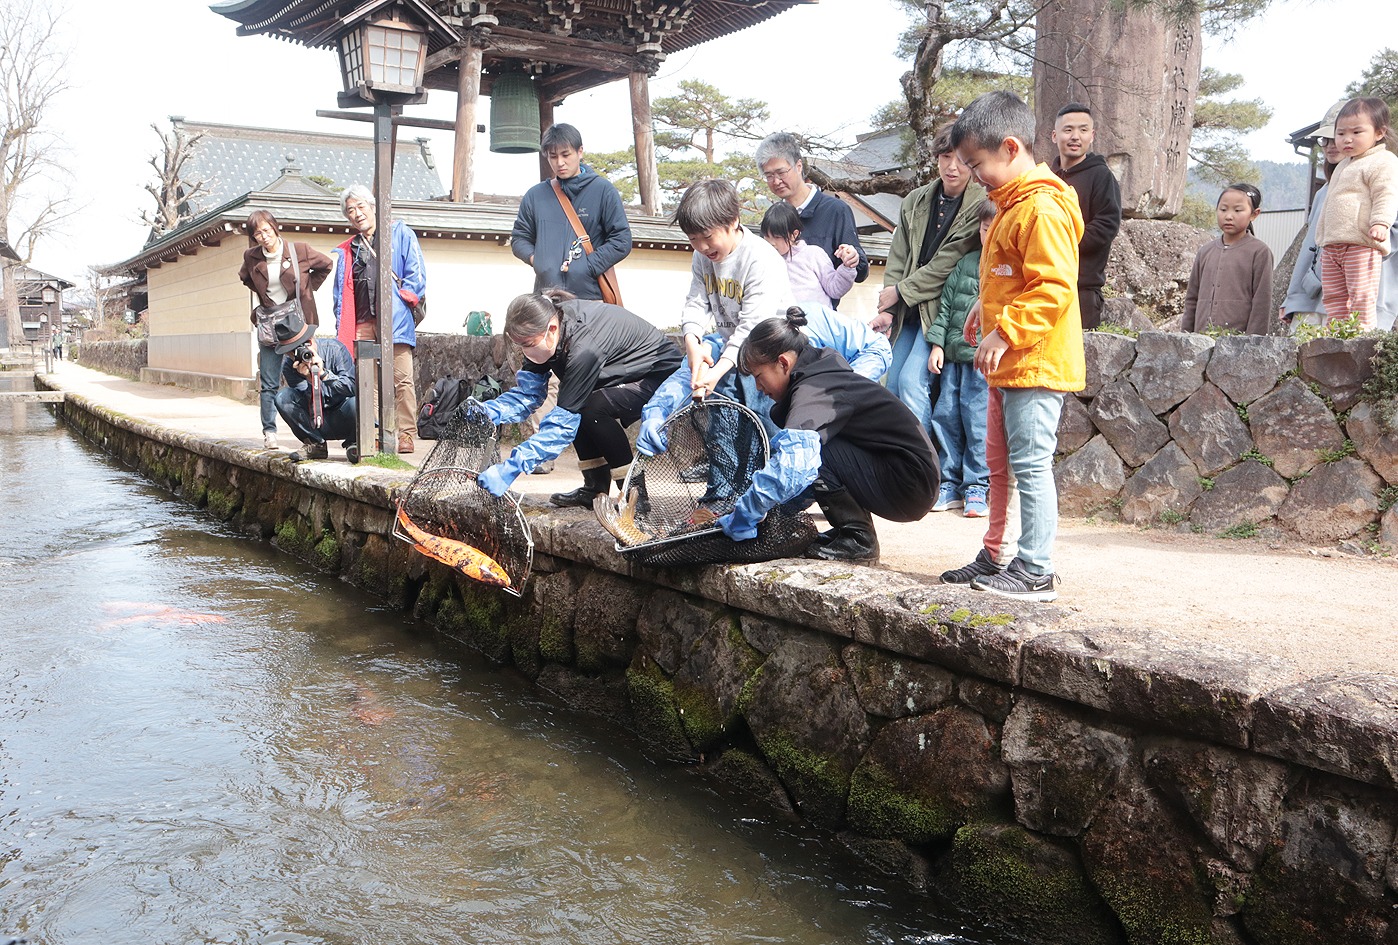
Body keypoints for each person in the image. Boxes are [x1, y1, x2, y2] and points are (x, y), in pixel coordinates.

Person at [938, 90, 1084, 603]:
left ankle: (1037, 568)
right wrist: (985, 306)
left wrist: (1006, 330)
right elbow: (1011, 276)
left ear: (1011, 147)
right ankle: (997, 554)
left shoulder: (1041, 208)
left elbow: (1054, 287)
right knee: (999, 464)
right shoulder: (1009, 205)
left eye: (978, 164)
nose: (975, 175)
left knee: (1030, 464)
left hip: (1036, 361)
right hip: (1011, 362)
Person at [713, 311, 937, 563]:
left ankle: (859, 540)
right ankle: (848, 529)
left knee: (813, 452)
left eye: (758, 376)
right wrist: (774, 512)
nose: (758, 388)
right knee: (815, 449)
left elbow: (794, 467)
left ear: (783, 363)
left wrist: (747, 513)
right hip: (907, 476)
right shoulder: (820, 368)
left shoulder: (815, 389)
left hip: (910, 483)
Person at [473, 288, 683, 508]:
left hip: (658, 375)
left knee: (590, 408)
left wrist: (513, 467)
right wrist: (491, 411)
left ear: (551, 329)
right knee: (577, 404)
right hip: (617, 371)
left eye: (528, 344)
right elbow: (529, 393)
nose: (526, 352)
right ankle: (594, 490)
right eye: (521, 345)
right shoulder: (545, 330)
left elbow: (562, 426)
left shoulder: (582, 346)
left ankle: (635, 496)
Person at [873, 127, 985, 450]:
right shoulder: (915, 200)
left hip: (942, 311)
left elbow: (946, 264)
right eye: (945, 156)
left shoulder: (979, 204)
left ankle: (925, 466)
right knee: (891, 382)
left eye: (962, 159)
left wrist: (900, 292)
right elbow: (897, 258)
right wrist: (887, 309)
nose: (952, 166)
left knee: (912, 381)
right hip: (906, 307)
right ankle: (903, 461)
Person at [673, 178, 794, 402]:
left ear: (734, 221)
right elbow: (696, 302)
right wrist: (692, 341)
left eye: (708, 237)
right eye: (693, 239)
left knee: (767, 424)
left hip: (770, 357)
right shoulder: (701, 256)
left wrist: (717, 372)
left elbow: (752, 327)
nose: (702, 247)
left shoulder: (760, 258)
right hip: (733, 354)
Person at [332, 184, 426, 454]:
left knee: (402, 378)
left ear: (373, 207)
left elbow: (416, 270)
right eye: (350, 210)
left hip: (394, 319)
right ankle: (374, 432)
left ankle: (406, 434)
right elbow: (341, 288)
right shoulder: (349, 248)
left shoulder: (400, 233)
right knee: (367, 382)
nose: (356, 213)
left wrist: (407, 295)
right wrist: (341, 316)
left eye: (361, 207)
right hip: (362, 321)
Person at [237, 209, 333, 450]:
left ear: (275, 227)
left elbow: (326, 265)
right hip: (270, 323)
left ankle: (317, 429)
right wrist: (266, 299)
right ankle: (269, 431)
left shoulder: (298, 250)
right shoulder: (251, 257)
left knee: (311, 372)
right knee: (269, 381)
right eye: (257, 233)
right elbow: (244, 277)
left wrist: (307, 290)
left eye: (266, 230)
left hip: (299, 322)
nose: (263, 236)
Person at [510, 123, 632, 301]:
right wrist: (537, 261)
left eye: (566, 155)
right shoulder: (535, 196)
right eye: (553, 156)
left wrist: (587, 266)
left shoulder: (603, 190)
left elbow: (622, 240)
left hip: (591, 298)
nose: (560, 163)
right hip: (546, 299)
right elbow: (519, 238)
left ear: (580, 151)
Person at [927, 199, 994, 519]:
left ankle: (977, 486)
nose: (989, 234)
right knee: (946, 417)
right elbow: (945, 310)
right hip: (953, 356)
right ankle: (949, 483)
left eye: (995, 228)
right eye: (984, 228)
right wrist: (937, 345)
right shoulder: (965, 264)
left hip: (982, 362)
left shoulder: (1006, 269)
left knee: (977, 423)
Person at [755, 132, 867, 306]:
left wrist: (852, 258)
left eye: (781, 172)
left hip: (819, 320)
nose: (776, 181)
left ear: (799, 166)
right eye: (769, 176)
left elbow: (860, 271)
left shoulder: (835, 210)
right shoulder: (773, 217)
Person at [1315, 96, 1398, 330]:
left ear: (1379, 133)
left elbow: (1386, 194)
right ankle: (1337, 336)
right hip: (1332, 244)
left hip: (1361, 243)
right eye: (1340, 133)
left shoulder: (1382, 161)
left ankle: (1361, 338)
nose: (1346, 139)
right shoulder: (1343, 165)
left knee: (1361, 296)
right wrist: (1322, 237)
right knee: (1333, 296)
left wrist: (1381, 222)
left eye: (1356, 132)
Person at [1049, 104, 1122, 330]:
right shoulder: (1046, 178)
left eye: (1082, 130)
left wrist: (1061, 243)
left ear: (1092, 135)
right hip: (1044, 286)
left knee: (1080, 363)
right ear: (1054, 136)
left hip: (1081, 289)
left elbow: (1106, 226)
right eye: (1068, 130)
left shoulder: (1101, 176)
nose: (1075, 137)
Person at [1180, 184, 1273, 335]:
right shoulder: (1205, 251)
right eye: (1223, 209)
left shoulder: (1259, 252)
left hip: (1237, 343)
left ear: (1254, 214)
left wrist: (1253, 343)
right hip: (1199, 340)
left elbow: (1262, 304)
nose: (1229, 216)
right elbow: (1192, 299)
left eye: (1237, 210)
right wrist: (1185, 336)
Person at [268, 311, 358, 464]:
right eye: (290, 352)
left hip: (344, 414)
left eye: (297, 350)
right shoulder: (290, 366)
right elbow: (307, 405)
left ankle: (355, 443)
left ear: (309, 341)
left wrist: (323, 374)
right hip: (317, 421)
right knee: (283, 397)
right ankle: (315, 444)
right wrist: (309, 379)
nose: (294, 355)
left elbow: (352, 388)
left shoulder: (335, 349)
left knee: (357, 402)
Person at [1283, 119, 1343, 333]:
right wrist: (1292, 299)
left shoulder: (1381, 182)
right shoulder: (1323, 192)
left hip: (1350, 298)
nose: (1329, 145)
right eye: (1323, 140)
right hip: (1312, 296)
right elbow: (1309, 249)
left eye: (1335, 137)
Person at [760, 201, 856, 308]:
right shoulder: (763, 261)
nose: (771, 242)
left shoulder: (813, 255)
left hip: (815, 321)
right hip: (781, 322)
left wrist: (847, 267)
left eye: (777, 237)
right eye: (767, 237)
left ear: (794, 234)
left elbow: (835, 289)